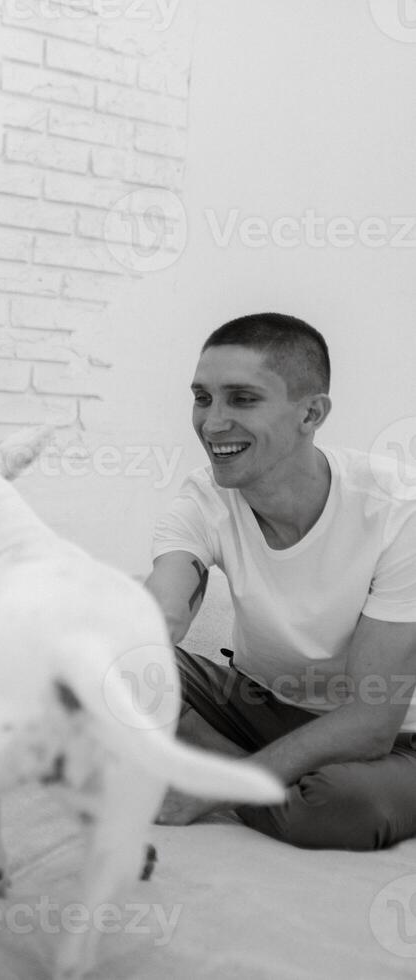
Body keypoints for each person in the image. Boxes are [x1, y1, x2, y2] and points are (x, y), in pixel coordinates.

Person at [144, 313, 416, 850]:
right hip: (255, 703)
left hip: (388, 741)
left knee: (341, 807)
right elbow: (163, 608)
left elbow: (371, 719)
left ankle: (215, 775)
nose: (212, 423)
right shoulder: (203, 498)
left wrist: (206, 795)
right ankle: (251, 778)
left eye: (242, 399)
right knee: (74, 662)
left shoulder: (396, 513)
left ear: (311, 412)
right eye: (202, 398)